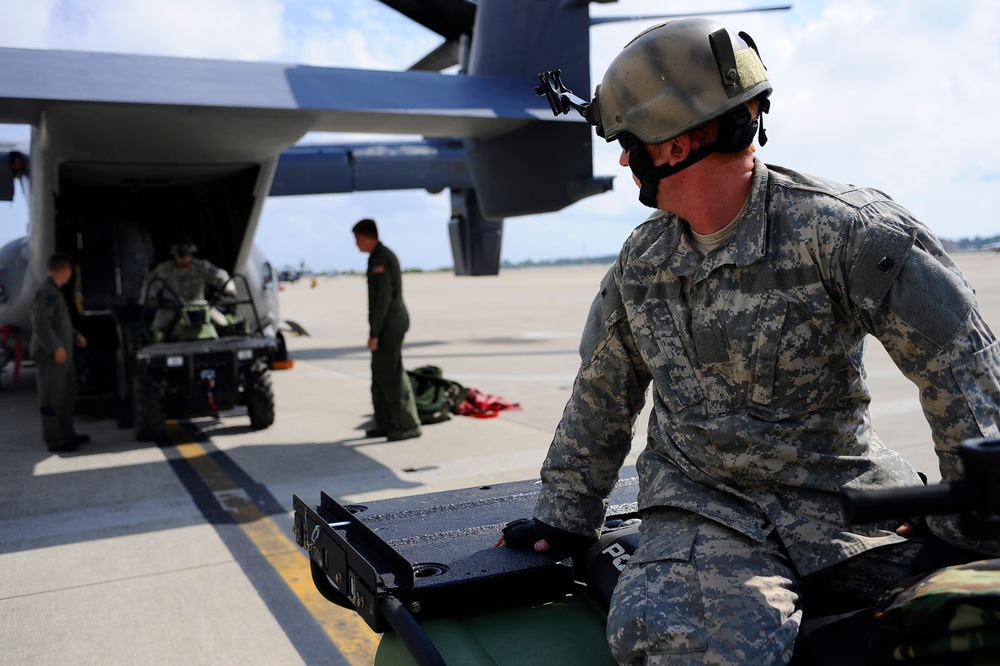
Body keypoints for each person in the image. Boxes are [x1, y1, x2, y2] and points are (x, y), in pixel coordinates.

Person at [499, 18, 1000, 664]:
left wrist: (967, 528)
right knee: (692, 650)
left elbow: (961, 366)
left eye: (630, 142)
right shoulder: (641, 264)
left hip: (846, 509)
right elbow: (602, 390)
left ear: (677, 145)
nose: (624, 159)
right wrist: (565, 514)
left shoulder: (849, 233)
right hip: (706, 516)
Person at [352, 218, 421, 442]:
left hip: (389, 325)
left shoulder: (381, 258)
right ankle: (386, 422)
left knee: (390, 374)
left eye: (356, 239)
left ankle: (409, 424)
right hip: (387, 324)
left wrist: (374, 333)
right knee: (379, 373)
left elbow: (382, 300)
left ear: (364, 237)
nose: (356, 244)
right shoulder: (377, 257)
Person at [30, 253, 89, 452]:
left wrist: (74, 334)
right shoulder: (47, 292)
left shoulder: (55, 292)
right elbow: (41, 324)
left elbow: (58, 322)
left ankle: (67, 434)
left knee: (67, 395)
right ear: (64, 271)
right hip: (51, 356)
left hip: (64, 355)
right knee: (52, 398)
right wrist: (55, 347)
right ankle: (54, 440)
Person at [139, 241, 236, 338]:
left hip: (199, 306)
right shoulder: (165, 269)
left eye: (187, 255)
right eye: (181, 256)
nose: (185, 259)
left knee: (224, 324)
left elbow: (220, 276)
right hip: (171, 308)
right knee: (157, 330)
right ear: (175, 256)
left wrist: (229, 286)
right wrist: (149, 299)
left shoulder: (201, 266)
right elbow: (150, 284)